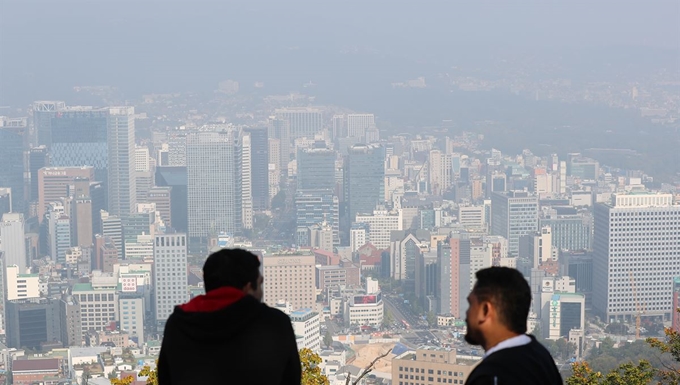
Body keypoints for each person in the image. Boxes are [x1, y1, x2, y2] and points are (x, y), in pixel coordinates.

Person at [158, 248, 301, 384]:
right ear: (248, 287)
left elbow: (165, 378)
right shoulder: (274, 324)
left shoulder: (178, 324)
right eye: (260, 283)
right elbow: (291, 378)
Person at [464, 267, 562, 385]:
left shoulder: (491, 376)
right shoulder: (542, 358)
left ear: (485, 310)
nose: (467, 313)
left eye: (470, 304)